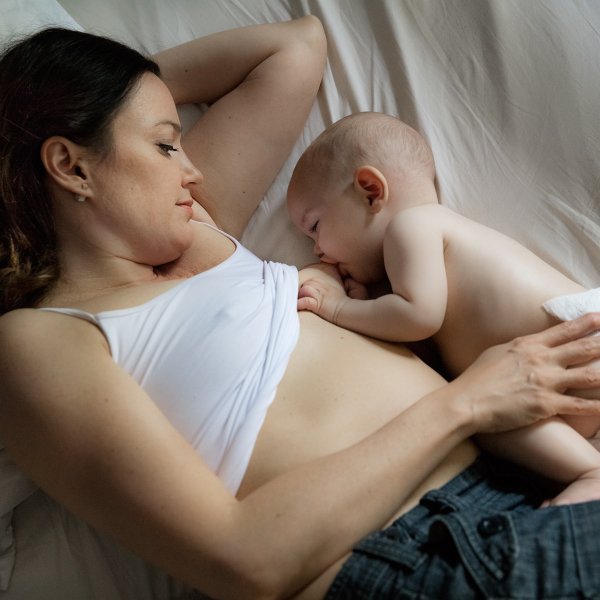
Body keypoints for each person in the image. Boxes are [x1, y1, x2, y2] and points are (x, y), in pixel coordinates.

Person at [2, 24, 600, 600]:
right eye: (165, 145)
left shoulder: (198, 228)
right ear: (70, 165)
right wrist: (467, 402)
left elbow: (294, 47)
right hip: (422, 557)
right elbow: (243, 563)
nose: (192, 170)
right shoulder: (41, 340)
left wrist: (124, 91)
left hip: (526, 488)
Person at [287, 110, 600, 510]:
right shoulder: (421, 257)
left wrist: (339, 308)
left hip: (578, 337)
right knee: (487, 411)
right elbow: (423, 355)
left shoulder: (413, 227)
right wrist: (369, 311)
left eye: (314, 226)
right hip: (565, 379)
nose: (316, 250)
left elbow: (418, 318)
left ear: (370, 190)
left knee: (482, 419)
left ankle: (590, 473)